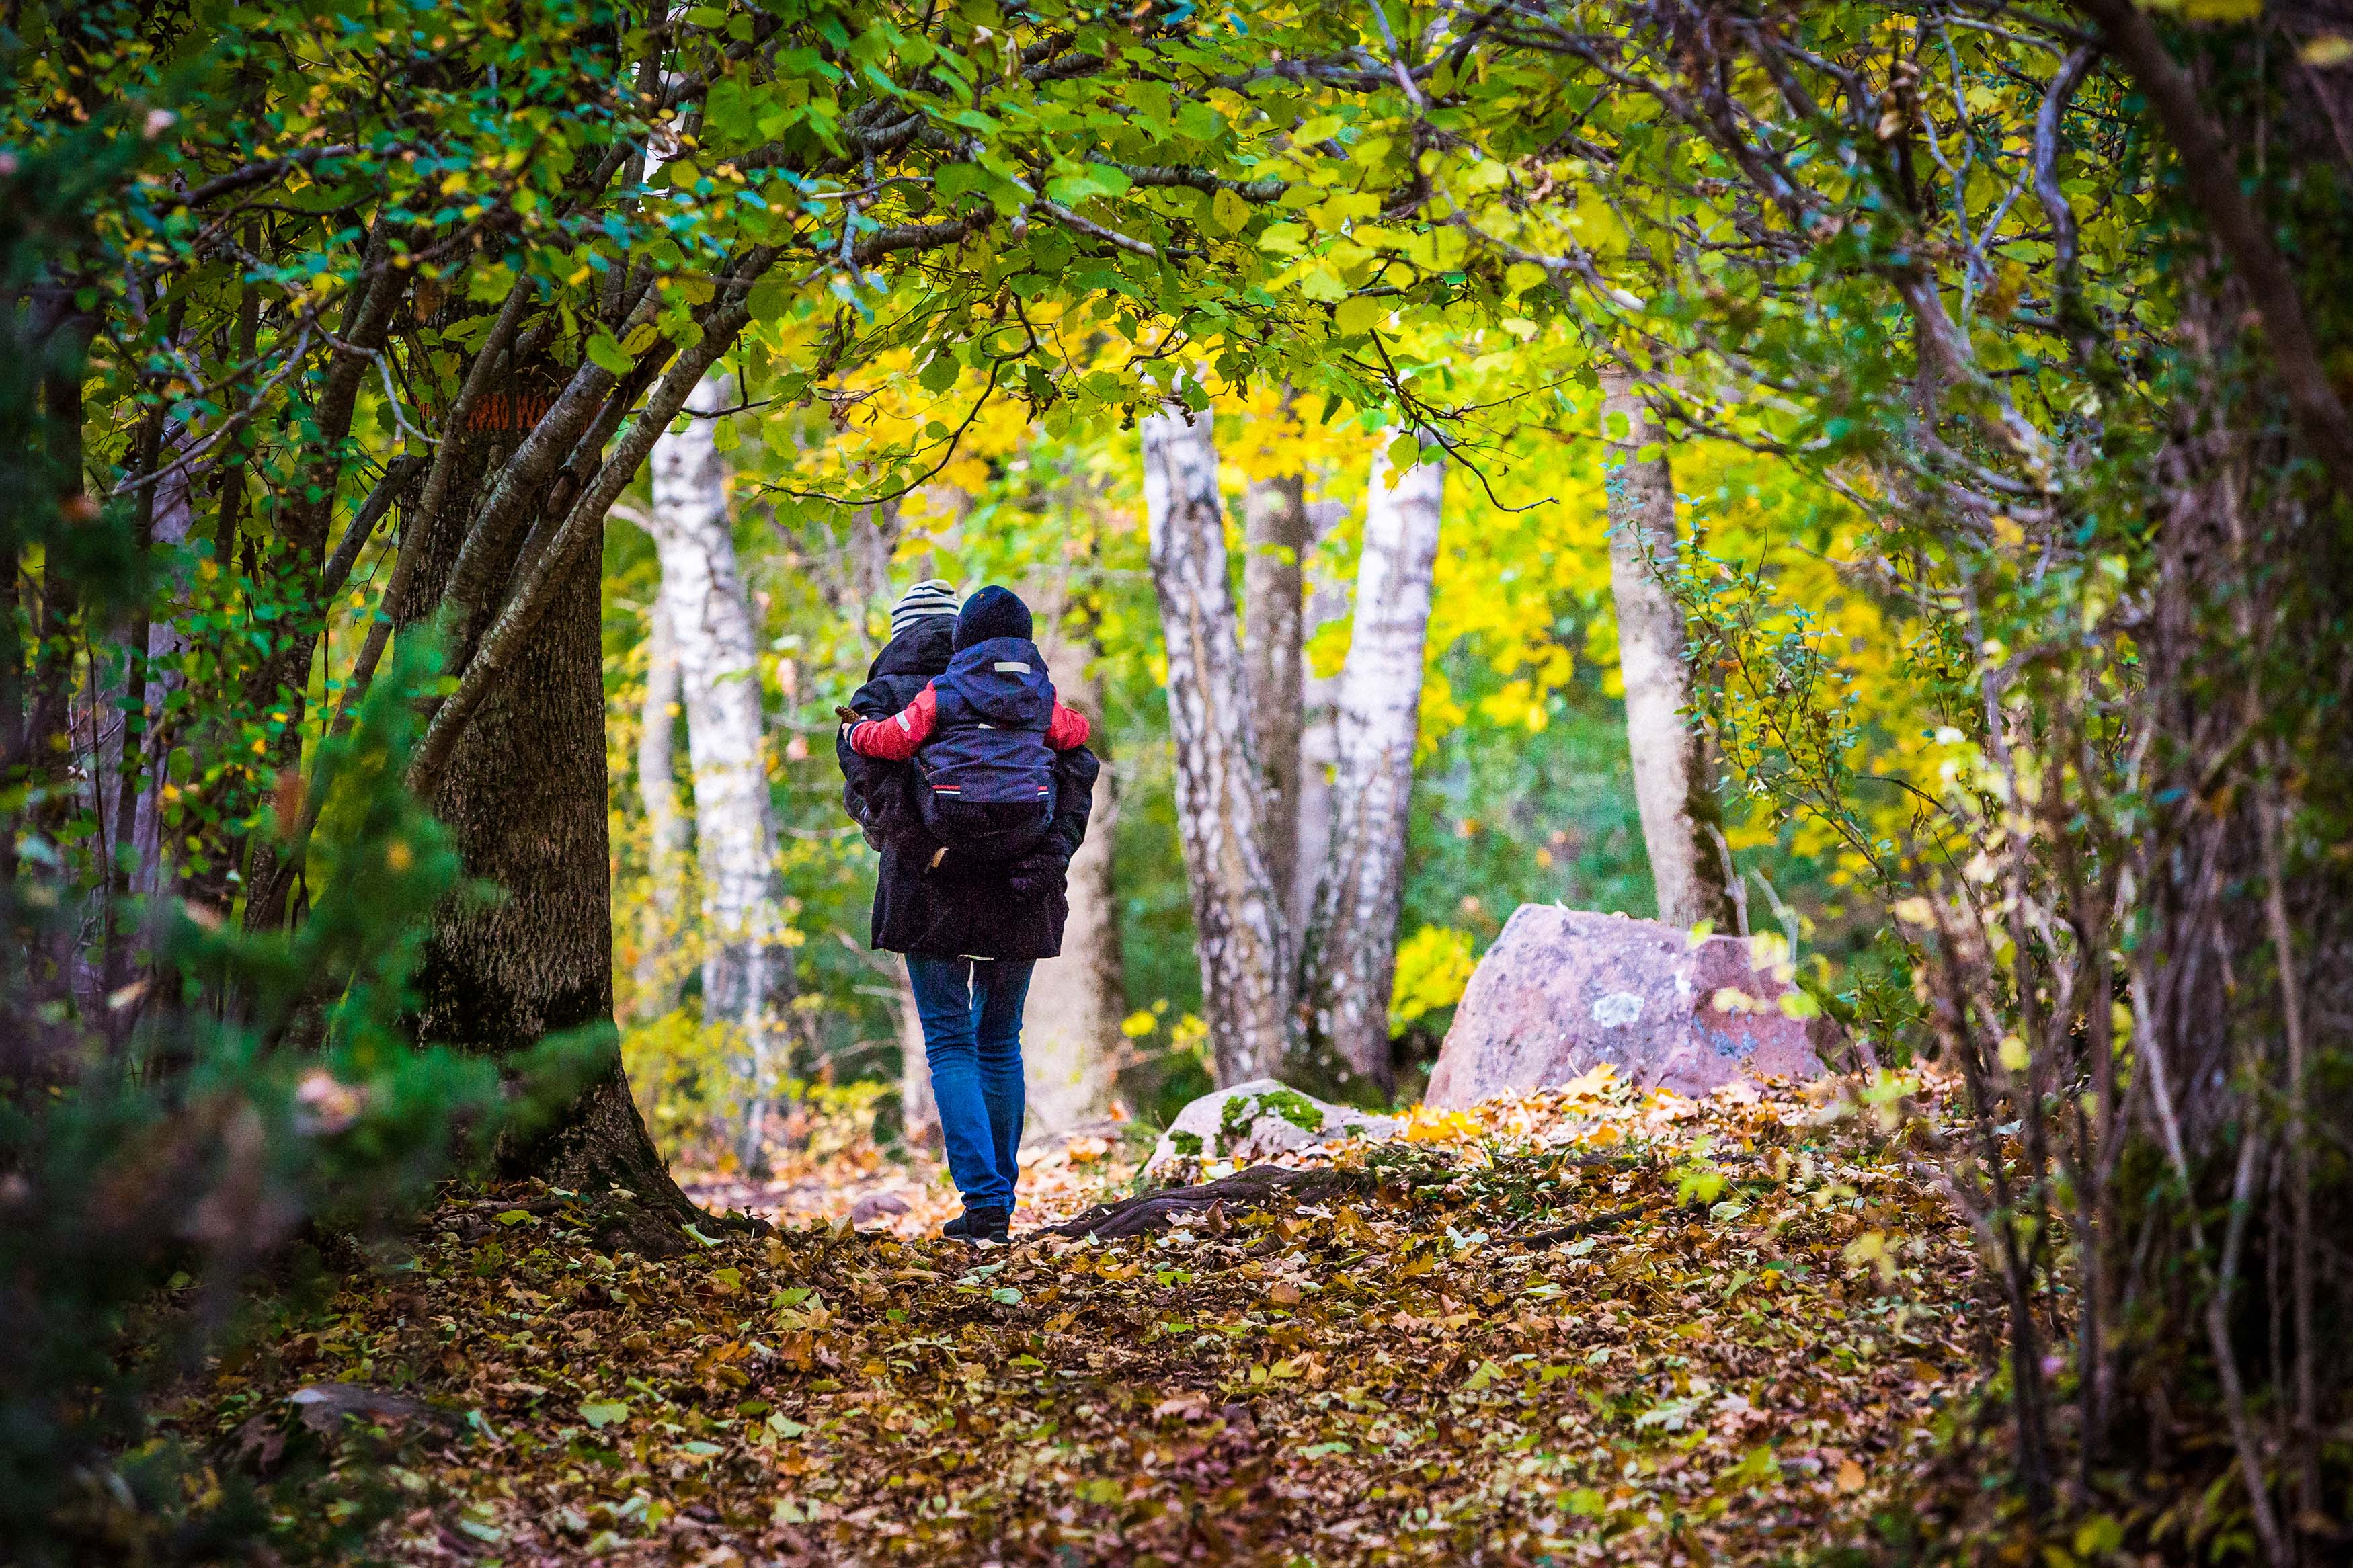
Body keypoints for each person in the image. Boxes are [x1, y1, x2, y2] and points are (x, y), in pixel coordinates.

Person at [836, 584, 1101, 1243]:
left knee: (949, 1040)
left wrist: (924, 844)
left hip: (930, 889)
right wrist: (1051, 854)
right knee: (999, 1038)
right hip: (1020, 883)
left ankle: (983, 1206)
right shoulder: (1026, 692)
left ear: (898, 629)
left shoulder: (887, 700)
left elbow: (868, 793)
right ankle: (1000, 1201)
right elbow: (1078, 766)